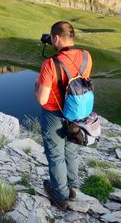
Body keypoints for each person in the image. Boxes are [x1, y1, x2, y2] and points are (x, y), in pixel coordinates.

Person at [34, 21, 93, 209]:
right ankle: (72, 188)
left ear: (56, 38)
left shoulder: (50, 64)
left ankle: (60, 196)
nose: (50, 41)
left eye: (51, 38)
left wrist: (37, 85)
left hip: (54, 114)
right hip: (76, 113)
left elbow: (42, 99)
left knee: (55, 155)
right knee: (71, 150)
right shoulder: (86, 56)